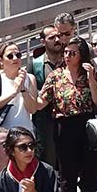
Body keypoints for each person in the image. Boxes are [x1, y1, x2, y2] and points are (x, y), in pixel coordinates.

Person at [39, 35, 97, 192]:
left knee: (90, 173)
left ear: (81, 55)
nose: (68, 56)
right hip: (64, 125)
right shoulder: (56, 76)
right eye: (66, 52)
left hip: (87, 125)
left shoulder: (91, 73)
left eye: (73, 53)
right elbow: (42, 101)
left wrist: (92, 78)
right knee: (67, 175)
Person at [0, 40, 40, 134]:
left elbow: (33, 109)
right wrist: (14, 92)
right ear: (1, 60)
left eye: (18, 55)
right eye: (10, 56)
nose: (15, 58)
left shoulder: (30, 78)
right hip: (3, 134)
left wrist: (23, 89)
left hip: (25, 133)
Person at [30, 24, 65, 166]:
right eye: (52, 37)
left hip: (66, 120)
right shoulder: (35, 64)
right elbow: (32, 91)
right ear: (43, 41)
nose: (57, 40)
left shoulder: (69, 60)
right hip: (45, 121)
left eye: (59, 36)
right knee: (47, 161)